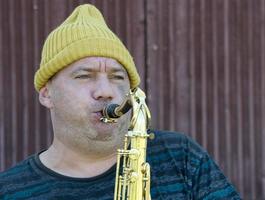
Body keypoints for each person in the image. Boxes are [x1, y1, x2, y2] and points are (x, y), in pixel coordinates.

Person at [0, 4, 240, 200]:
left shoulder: (181, 157)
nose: (106, 92)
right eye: (84, 76)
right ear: (46, 94)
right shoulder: (9, 191)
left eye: (117, 77)